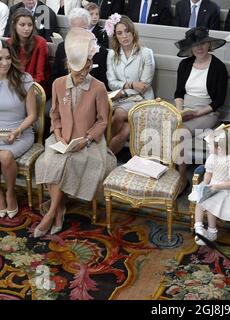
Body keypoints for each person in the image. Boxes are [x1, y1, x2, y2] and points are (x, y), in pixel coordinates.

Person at [34, 28, 116, 237]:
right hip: (61, 138)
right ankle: (59, 210)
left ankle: (51, 214)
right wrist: (59, 135)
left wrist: (87, 139)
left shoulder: (98, 87)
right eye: (78, 70)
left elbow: (102, 121)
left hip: (88, 142)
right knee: (49, 162)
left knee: (68, 164)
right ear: (68, 65)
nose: (83, 74)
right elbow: (54, 115)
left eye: (87, 67)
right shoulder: (58, 84)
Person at [174, 26, 227, 191]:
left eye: (203, 43)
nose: (199, 47)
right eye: (195, 44)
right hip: (184, 108)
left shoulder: (219, 67)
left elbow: (218, 101)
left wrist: (197, 113)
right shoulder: (185, 64)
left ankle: (182, 178)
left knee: (180, 132)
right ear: (190, 47)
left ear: (209, 44)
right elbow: (179, 93)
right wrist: (180, 112)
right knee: (166, 124)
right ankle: (167, 172)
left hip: (207, 111)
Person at [105, 14, 155, 155]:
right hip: (120, 97)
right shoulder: (111, 54)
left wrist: (125, 90)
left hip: (142, 99)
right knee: (125, 128)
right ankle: (108, 156)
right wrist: (131, 84)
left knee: (119, 113)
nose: (124, 36)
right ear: (116, 36)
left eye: (127, 31)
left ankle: (104, 152)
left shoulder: (146, 53)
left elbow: (144, 86)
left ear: (133, 32)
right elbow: (111, 83)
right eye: (119, 33)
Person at [188, 125, 230, 245]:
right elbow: (208, 173)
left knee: (211, 203)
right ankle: (198, 227)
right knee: (200, 199)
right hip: (213, 184)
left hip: (226, 188)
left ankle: (212, 232)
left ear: (219, 148)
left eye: (209, 144)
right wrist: (205, 182)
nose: (207, 146)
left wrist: (218, 187)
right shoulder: (212, 157)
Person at [0, 40, 37, 219]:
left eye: (7, 58)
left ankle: (10, 192)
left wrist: (17, 131)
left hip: (20, 132)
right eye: (0, 59)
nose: (4, 63)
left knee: (5, 156)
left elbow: (32, 116)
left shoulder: (24, 79)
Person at [8, 8, 50, 93]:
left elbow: (40, 76)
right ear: (14, 25)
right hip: (13, 86)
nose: (27, 28)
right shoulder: (9, 43)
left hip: (34, 88)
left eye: (30, 25)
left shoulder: (40, 43)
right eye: (22, 25)